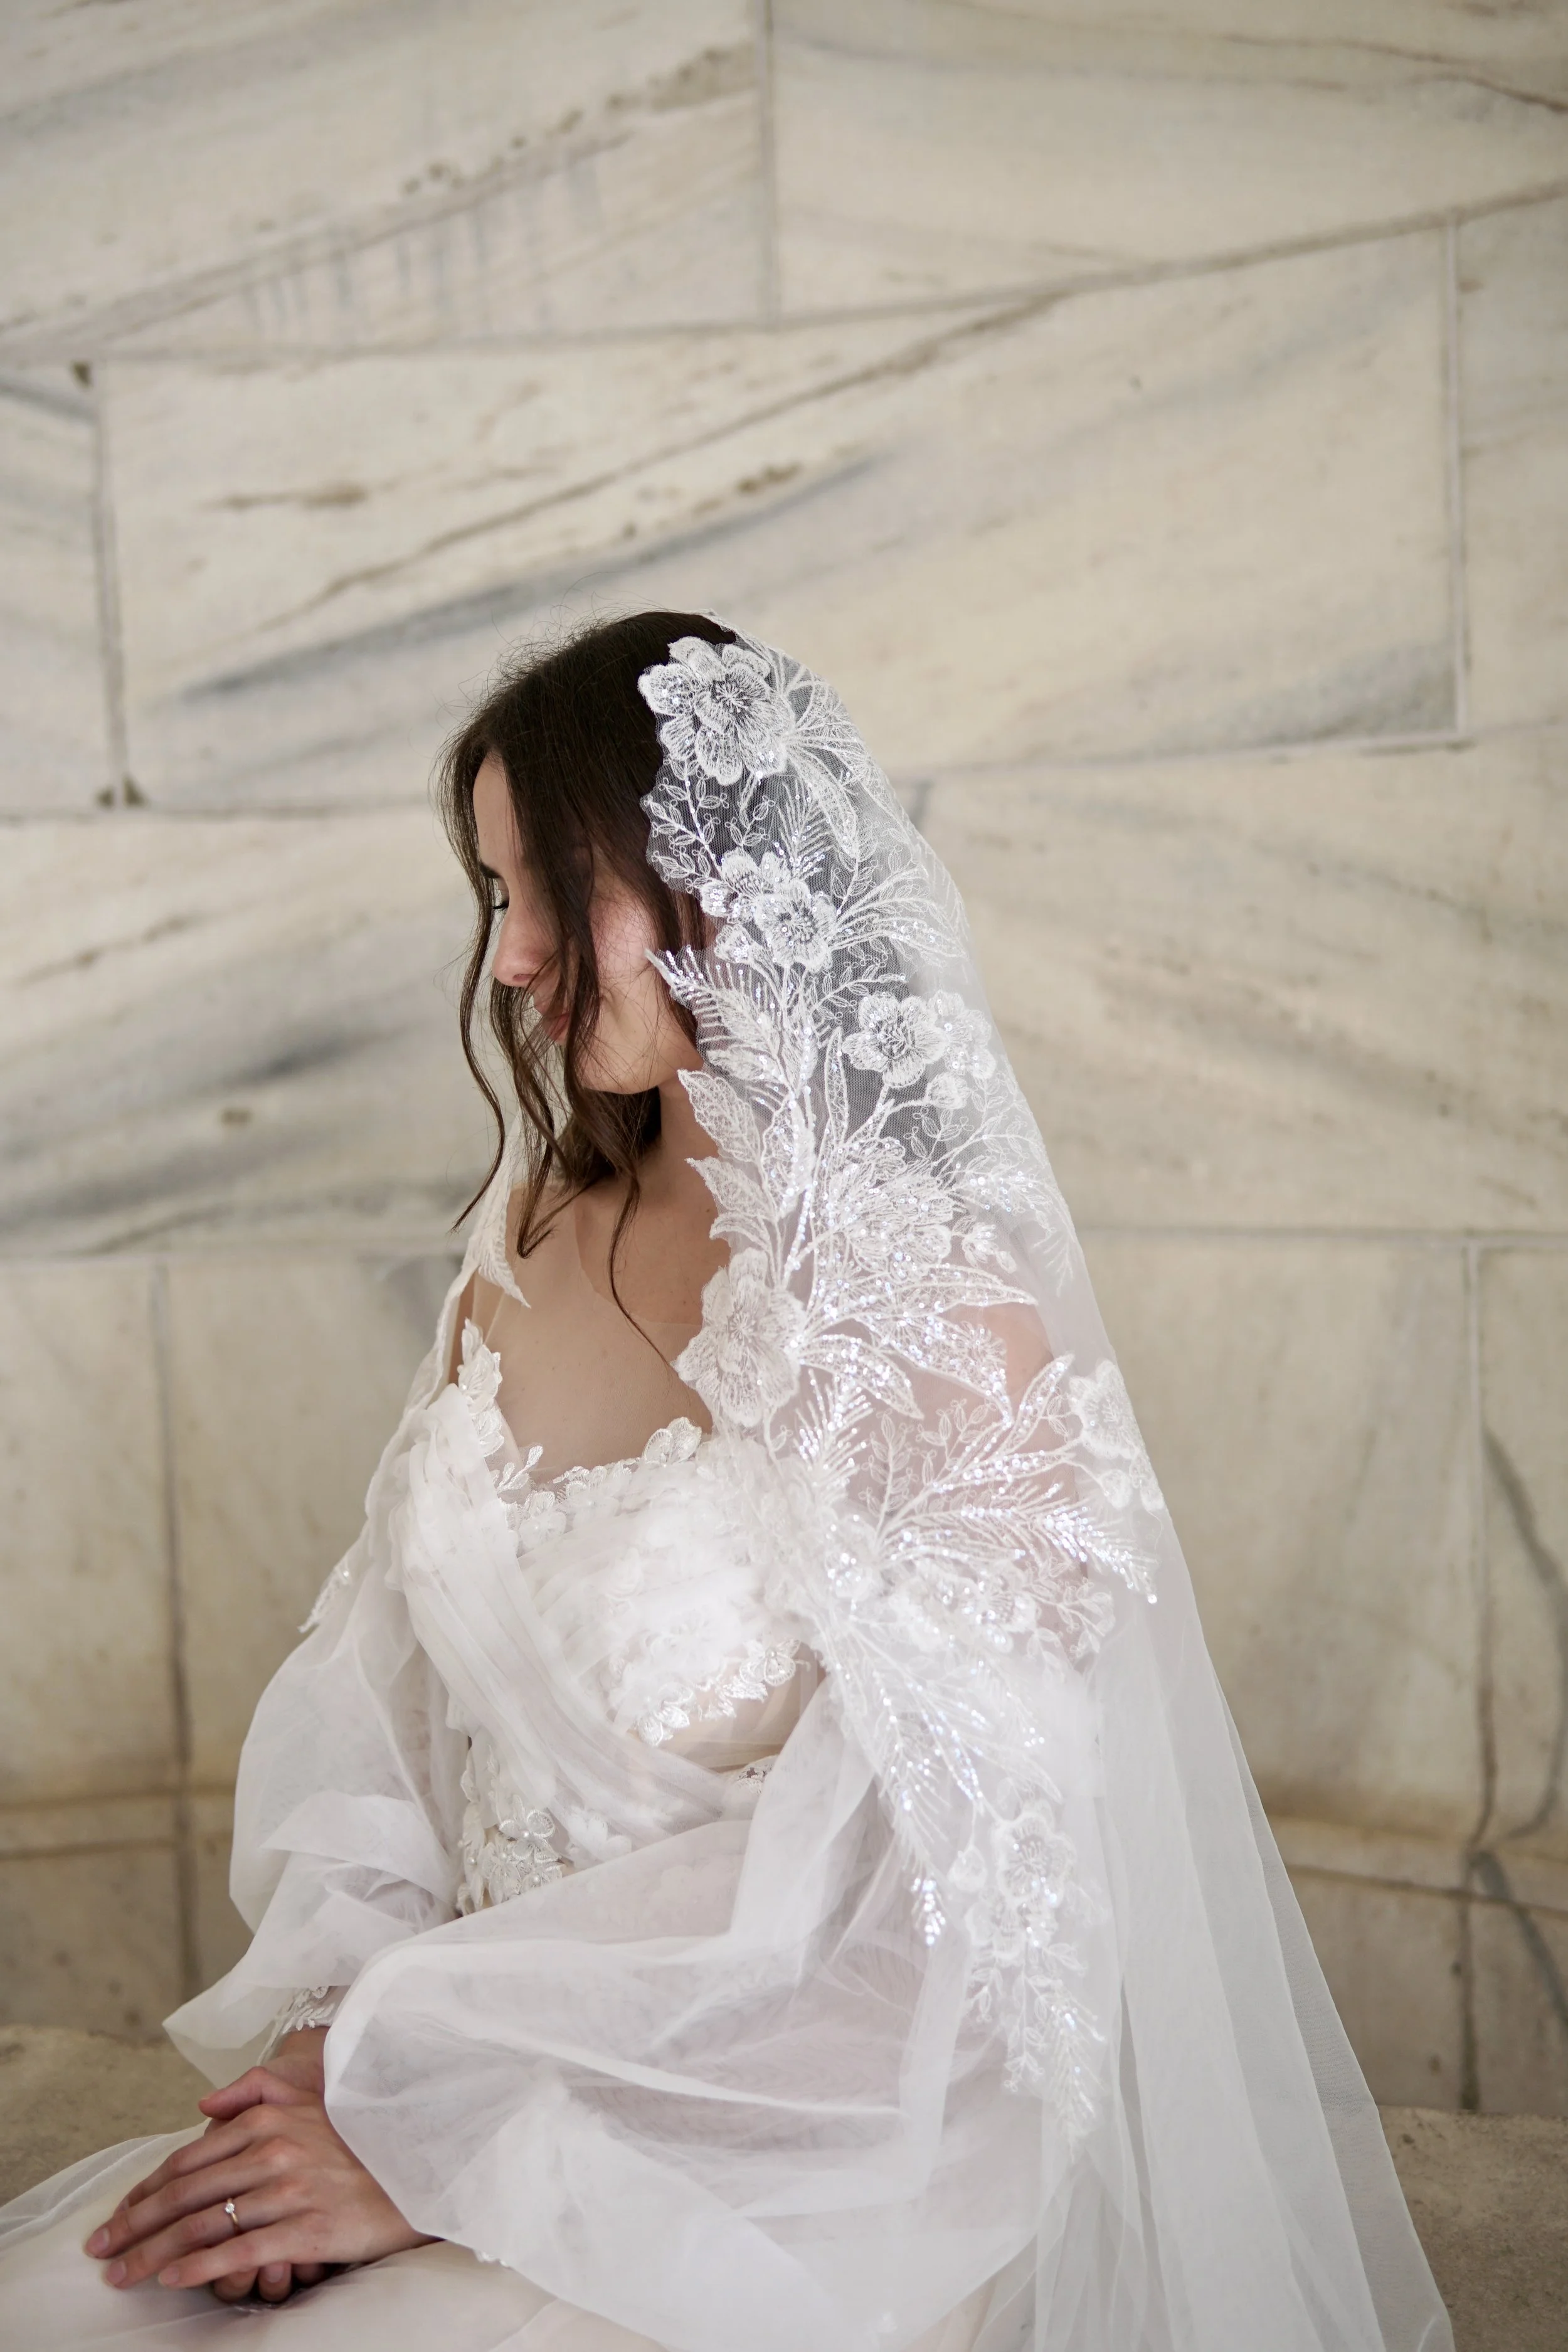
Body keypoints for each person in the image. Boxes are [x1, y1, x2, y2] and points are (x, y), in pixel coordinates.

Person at [0, 615, 1453, 2351]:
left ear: (718, 869)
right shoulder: (526, 1243)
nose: (514, 956)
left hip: (786, 2166)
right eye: (492, 893)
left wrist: (456, 2146)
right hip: (433, 2084)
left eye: (552, 885)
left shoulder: (935, 1316)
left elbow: (968, 1929)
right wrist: (335, 2071)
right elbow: (379, 1711)